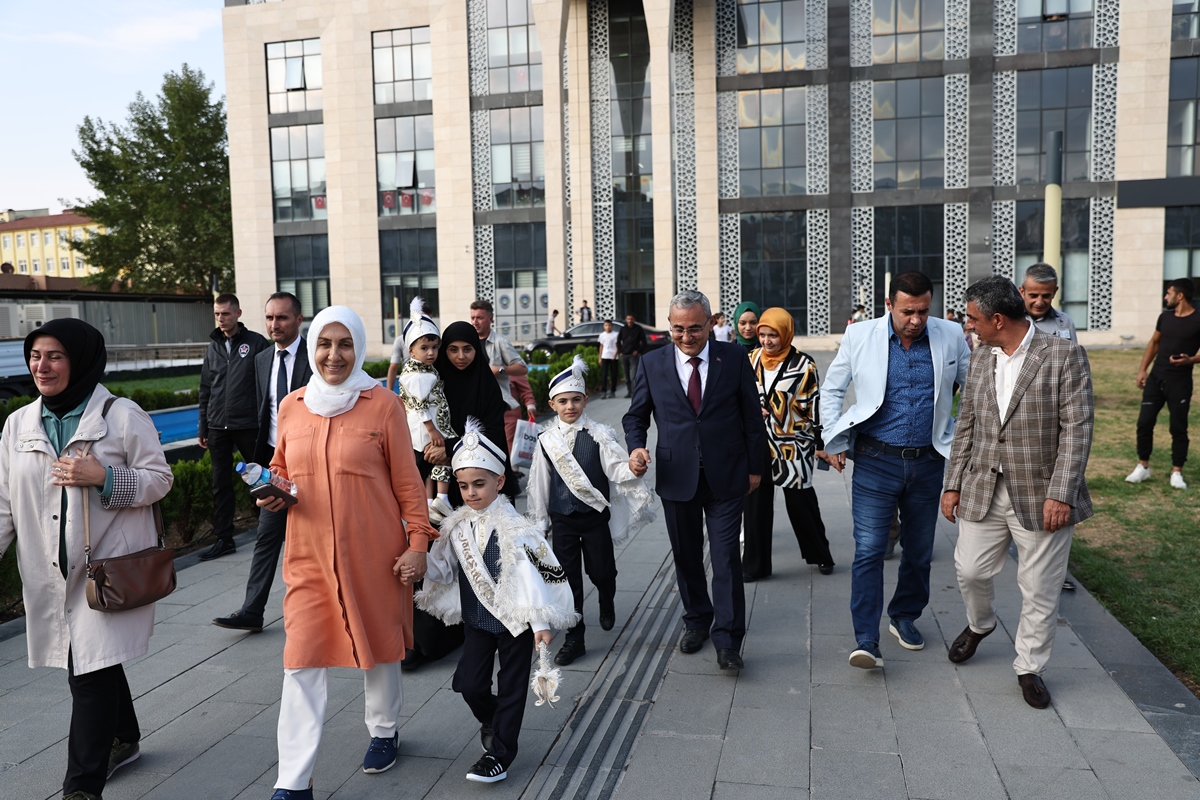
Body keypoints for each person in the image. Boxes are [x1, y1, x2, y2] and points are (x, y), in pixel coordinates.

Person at [259, 307, 436, 800]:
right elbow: (281, 468)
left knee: (380, 648)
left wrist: (418, 543)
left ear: (358, 348)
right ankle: (293, 783)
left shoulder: (383, 405)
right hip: (308, 558)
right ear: (312, 347)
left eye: (345, 344)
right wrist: (272, 488)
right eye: (324, 344)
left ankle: (384, 730)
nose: (333, 355)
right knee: (300, 662)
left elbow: (408, 483)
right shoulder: (292, 406)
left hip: (374, 555)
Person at [0, 319, 174, 800]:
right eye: (35, 356)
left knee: (88, 674)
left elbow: (160, 480)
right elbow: (4, 502)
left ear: (79, 361)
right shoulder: (18, 425)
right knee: (94, 660)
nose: (42, 366)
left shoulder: (122, 416)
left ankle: (82, 788)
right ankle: (125, 737)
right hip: (47, 572)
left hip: (103, 572)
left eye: (55, 356)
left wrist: (104, 478)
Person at [942, 276, 1094, 710]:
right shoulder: (980, 357)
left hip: (1043, 493)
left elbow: (1077, 429)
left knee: (1040, 587)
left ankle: (1029, 667)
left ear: (997, 319)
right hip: (984, 487)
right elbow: (966, 425)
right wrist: (952, 484)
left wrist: (1061, 493)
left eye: (972, 319)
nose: (968, 326)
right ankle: (981, 624)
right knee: (969, 570)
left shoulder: (1063, 354)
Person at [818, 271, 970, 671]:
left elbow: (973, 390)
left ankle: (904, 616)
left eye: (923, 311)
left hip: (928, 461)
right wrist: (833, 438)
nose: (916, 320)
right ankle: (866, 639)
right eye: (907, 312)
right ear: (889, 305)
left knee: (919, 551)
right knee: (869, 549)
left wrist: (960, 435)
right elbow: (832, 389)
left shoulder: (951, 334)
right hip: (875, 459)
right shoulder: (860, 335)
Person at [416, 420, 577, 784]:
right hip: (477, 621)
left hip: (514, 623)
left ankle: (500, 756)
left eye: (479, 484)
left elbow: (535, 575)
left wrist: (540, 624)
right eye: (463, 486)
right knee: (468, 684)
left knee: (512, 689)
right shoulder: (456, 526)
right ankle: (494, 719)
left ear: (499, 481)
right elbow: (443, 569)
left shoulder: (517, 528)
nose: (471, 493)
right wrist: (418, 557)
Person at [623, 291, 765, 672]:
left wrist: (755, 468)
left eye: (695, 329)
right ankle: (697, 619)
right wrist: (636, 448)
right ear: (670, 326)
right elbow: (635, 416)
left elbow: (752, 417)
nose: (686, 337)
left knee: (726, 558)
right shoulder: (652, 363)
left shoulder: (733, 358)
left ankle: (728, 640)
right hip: (677, 475)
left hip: (727, 474)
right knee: (686, 556)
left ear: (711, 323)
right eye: (678, 329)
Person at [527, 356, 655, 666]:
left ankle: (606, 596)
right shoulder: (546, 441)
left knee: (602, 571)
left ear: (586, 400)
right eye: (562, 401)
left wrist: (633, 468)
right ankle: (576, 638)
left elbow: (616, 468)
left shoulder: (599, 435)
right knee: (567, 581)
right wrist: (540, 523)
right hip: (563, 520)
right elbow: (539, 483)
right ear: (552, 404)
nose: (570, 406)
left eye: (575, 399)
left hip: (594, 517)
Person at [212, 292, 312, 633]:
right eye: (269, 318)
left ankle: (329, 608)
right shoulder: (262, 359)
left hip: (312, 463)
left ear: (298, 320)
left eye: (282, 317)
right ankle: (252, 610)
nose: (274, 324)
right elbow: (263, 412)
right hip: (275, 464)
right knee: (267, 535)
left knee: (316, 539)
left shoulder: (315, 358)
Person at [745, 308, 834, 579]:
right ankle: (755, 566)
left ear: (785, 333)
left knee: (800, 504)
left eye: (773, 335)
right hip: (758, 443)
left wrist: (820, 443)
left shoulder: (804, 365)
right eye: (762, 335)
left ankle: (821, 555)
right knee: (755, 506)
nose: (767, 341)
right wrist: (751, 409)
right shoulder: (751, 359)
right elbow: (739, 395)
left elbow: (814, 406)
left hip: (793, 446)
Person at [197, 293, 270, 561]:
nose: (221, 318)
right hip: (218, 426)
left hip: (248, 424)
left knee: (261, 478)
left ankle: (271, 528)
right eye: (217, 314)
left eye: (225, 314)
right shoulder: (213, 346)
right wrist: (203, 426)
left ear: (238, 314)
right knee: (220, 484)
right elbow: (206, 388)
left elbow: (267, 385)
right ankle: (224, 539)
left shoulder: (256, 343)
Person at [1127, 278, 1200, 490]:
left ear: (1180, 296)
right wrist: (1143, 369)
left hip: (1180, 382)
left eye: (1169, 293)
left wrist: (1190, 360)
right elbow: (1154, 342)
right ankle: (1143, 466)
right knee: (1144, 423)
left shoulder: (1198, 320)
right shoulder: (1165, 317)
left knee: (1178, 427)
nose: (1165, 297)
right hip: (1156, 378)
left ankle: (1177, 471)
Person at [395, 297, 454, 521]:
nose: (431, 353)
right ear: (411, 350)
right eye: (424, 348)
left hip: (424, 426)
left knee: (429, 466)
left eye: (434, 347)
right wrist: (433, 430)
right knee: (440, 459)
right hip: (428, 427)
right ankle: (442, 498)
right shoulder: (419, 374)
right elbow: (420, 405)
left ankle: (430, 502)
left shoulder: (419, 368)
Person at [731, 301, 774, 580]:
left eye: (753, 322)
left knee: (760, 497)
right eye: (743, 323)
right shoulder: (727, 353)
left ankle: (757, 558)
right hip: (736, 432)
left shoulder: (769, 352)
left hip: (770, 437)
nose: (748, 328)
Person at [469, 300, 529, 449]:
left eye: (479, 318)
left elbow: (522, 368)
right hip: (473, 403)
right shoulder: (469, 343)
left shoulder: (500, 342)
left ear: (490, 319)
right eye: (473, 318)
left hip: (496, 403)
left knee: (496, 445)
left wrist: (500, 369)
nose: (475, 322)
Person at [1020, 263, 1078, 344]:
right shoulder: (1009, 321)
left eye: (1046, 296)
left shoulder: (1065, 322)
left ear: (1054, 292)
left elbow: (1074, 351)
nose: (1039, 302)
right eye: (1033, 296)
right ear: (1022, 292)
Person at [504, 373, 538, 464]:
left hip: (510, 415)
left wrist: (530, 405)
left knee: (511, 444)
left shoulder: (512, 368)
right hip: (486, 415)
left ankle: (512, 469)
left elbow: (525, 390)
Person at [617, 313, 648, 398]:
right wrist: (620, 351)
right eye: (628, 319)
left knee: (633, 375)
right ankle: (629, 392)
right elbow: (618, 341)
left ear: (634, 320)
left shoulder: (638, 329)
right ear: (626, 320)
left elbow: (644, 342)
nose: (630, 321)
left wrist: (638, 351)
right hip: (624, 355)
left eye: (631, 319)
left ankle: (635, 392)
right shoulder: (623, 329)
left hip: (634, 355)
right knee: (626, 376)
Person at [597, 319, 620, 398]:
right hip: (605, 356)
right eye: (606, 325)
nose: (608, 327)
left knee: (614, 374)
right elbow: (601, 346)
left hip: (613, 357)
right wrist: (600, 357)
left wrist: (615, 354)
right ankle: (604, 391)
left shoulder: (615, 335)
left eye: (609, 325)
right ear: (604, 326)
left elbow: (617, 346)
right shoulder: (602, 335)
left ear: (612, 326)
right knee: (604, 375)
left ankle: (612, 391)